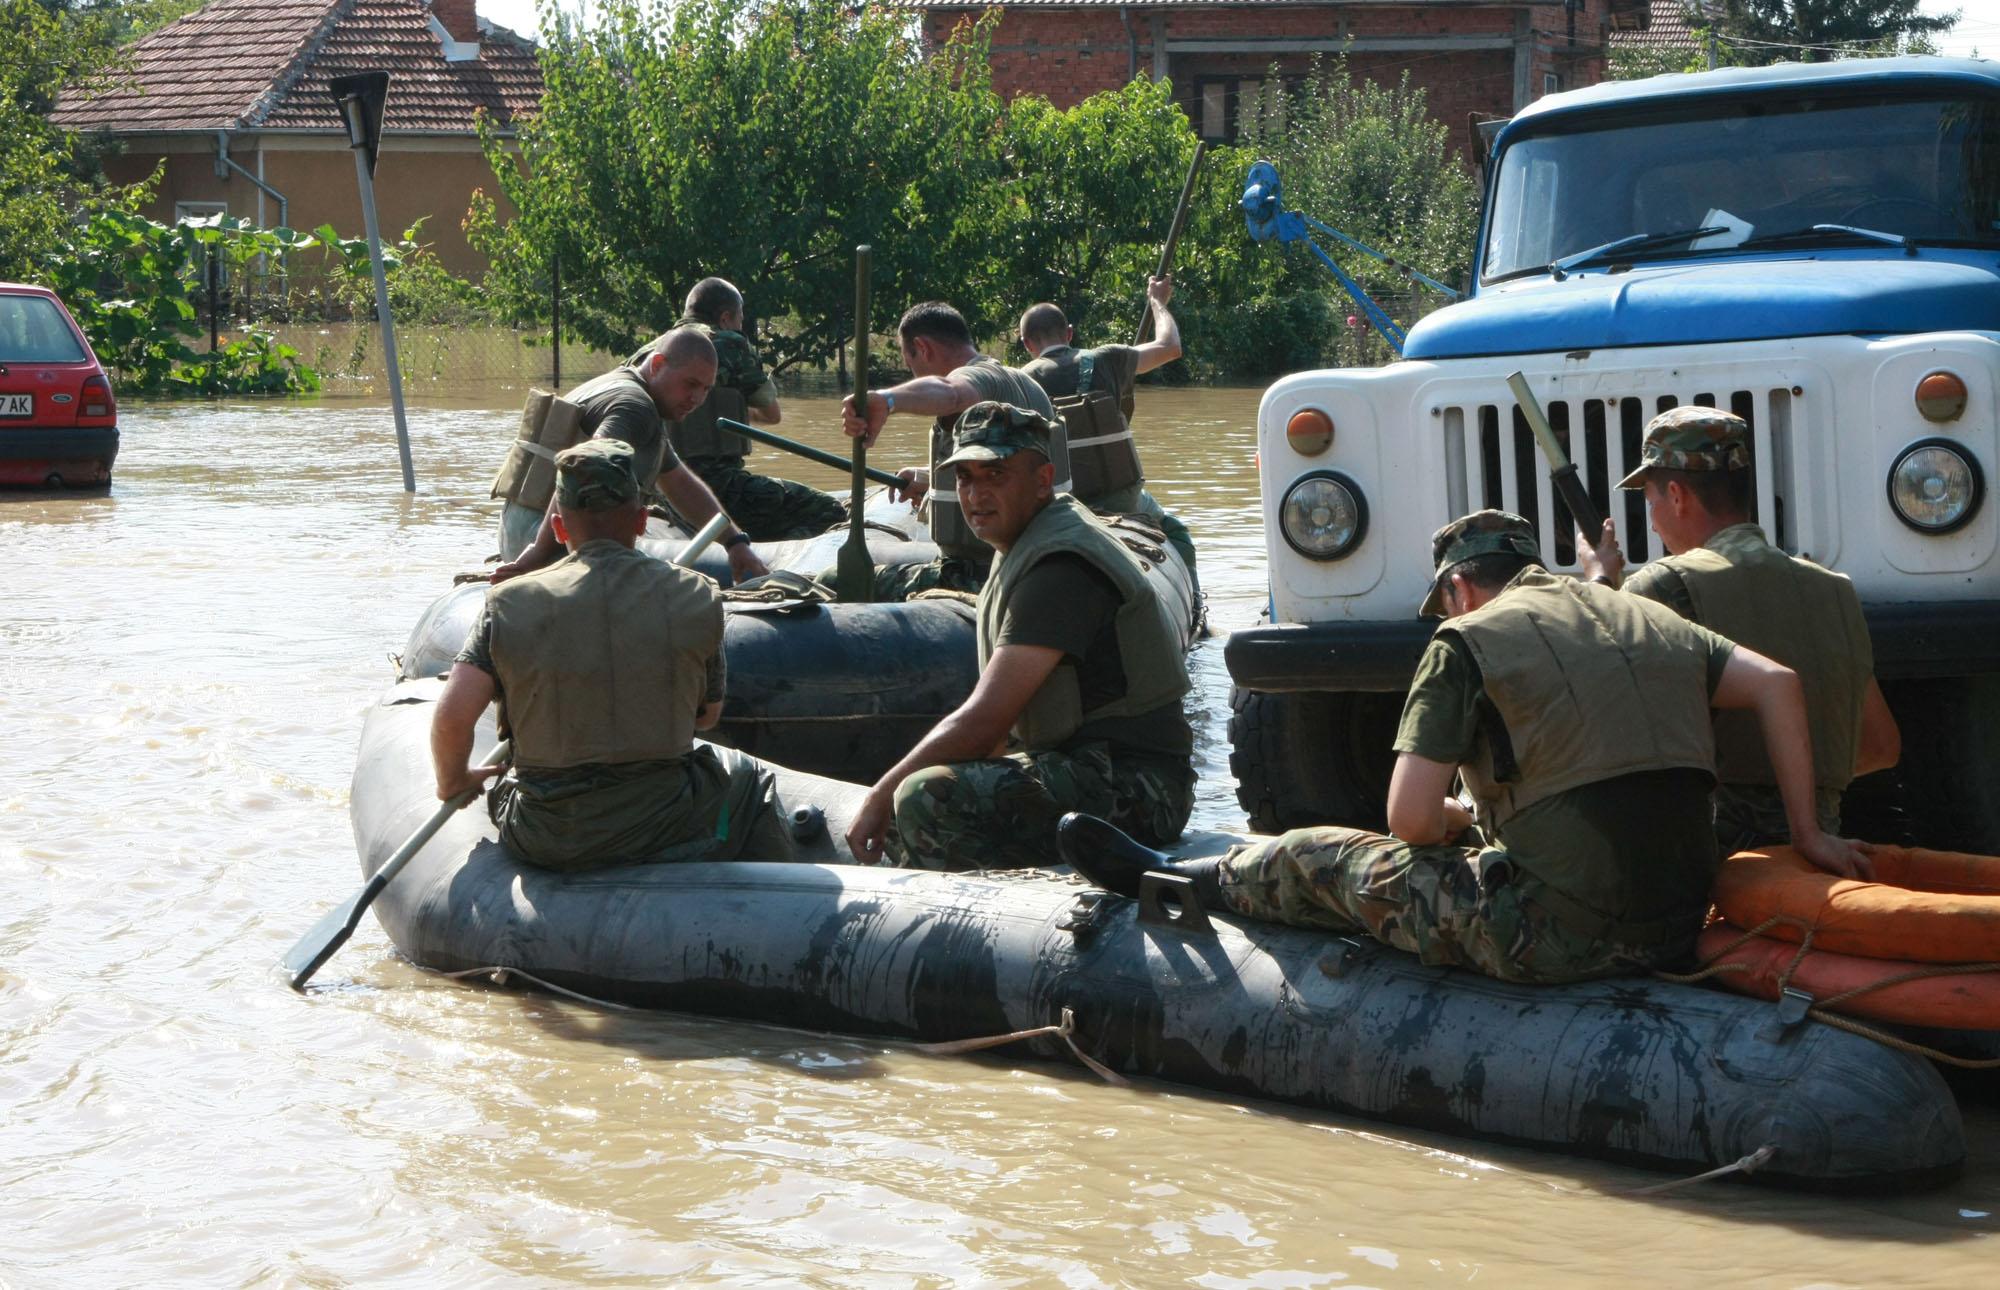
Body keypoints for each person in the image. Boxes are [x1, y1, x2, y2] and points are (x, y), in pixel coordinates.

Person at [1059, 510, 1874, 987]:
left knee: (1319, 853)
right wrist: (1808, 834)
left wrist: (1456, 823)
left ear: (1457, 587)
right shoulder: (1648, 618)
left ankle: (1171, 876)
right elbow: (1779, 684)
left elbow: (1409, 820)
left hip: (1562, 938)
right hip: (1680, 919)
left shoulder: (1466, 638)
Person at [845, 402, 1194, 870]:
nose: (975, 494)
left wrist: (879, 797)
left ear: (1043, 479)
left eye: (996, 475)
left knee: (923, 796)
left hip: (1142, 789)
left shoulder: (1061, 567)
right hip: (1089, 767)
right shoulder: (1025, 544)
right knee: (931, 777)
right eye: (965, 477)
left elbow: (985, 721)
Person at [432, 439, 794, 871]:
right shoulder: (697, 594)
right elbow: (706, 716)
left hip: (547, 831)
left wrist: (454, 780)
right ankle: (768, 908)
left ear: (560, 528)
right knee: (750, 777)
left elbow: (453, 719)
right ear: (642, 520)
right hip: (667, 819)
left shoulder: (506, 603)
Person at [1578, 405, 1901, 854]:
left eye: (1650, 501)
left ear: (1677, 495)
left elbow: (1602, 720)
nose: (1652, 520)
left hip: (1716, 863)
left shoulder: (1662, 584)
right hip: (1822, 855)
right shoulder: (1835, 591)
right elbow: (1881, 746)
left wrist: (1600, 588)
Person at [494, 327, 770, 586]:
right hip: (551, 540)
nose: (697, 398)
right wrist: (539, 552)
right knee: (690, 580)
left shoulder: (624, 388)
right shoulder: (634, 407)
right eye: (690, 384)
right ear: (658, 364)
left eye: (706, 389)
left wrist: (734, 541)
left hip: (519, 529)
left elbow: (680, 485)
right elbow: (583, 464)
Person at [839, 302, 1056, 600]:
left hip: (980, 570)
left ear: (922, 348)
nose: (912, 374)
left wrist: (888, 400)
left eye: (910, 364)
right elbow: (1008, 467)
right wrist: (932, 479)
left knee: (831, 579)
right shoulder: (1022, 383)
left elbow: (951, 392)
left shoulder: (978, 378)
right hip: (1036, 553)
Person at [1017, 274, 1199, 597]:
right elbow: (1170, 347)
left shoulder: (1017, 383)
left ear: (1028, 344)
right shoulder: (1107, 359)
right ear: (1069, 334)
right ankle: (1196, 606)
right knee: (1177, 533)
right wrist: (1157, 301)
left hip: (1058, 506)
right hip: (1123, 500)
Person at [647, 278, 847, 541]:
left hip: (658, 490)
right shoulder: (729, 343)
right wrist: (740, 410)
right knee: (829, 511)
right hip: (717, 485)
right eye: (740, 320)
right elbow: (771, 415)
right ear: (726, 318)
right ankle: (778, 562)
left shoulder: (648, 353)